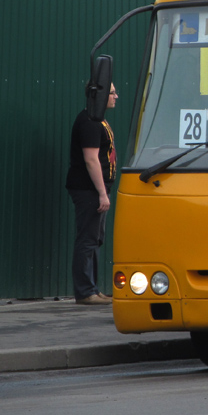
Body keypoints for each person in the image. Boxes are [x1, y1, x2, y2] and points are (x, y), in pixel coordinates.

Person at [66, 84, 118, 305]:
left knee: (96, 238)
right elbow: (91, 159)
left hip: (97, 189)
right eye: (112, 92)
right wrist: (101, 193)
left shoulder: (98, 120)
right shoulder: (89, 122)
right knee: (87, 239)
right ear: (100, 96)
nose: (116, 96)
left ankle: (93, 289)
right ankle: (86, 291)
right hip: (89, 189)